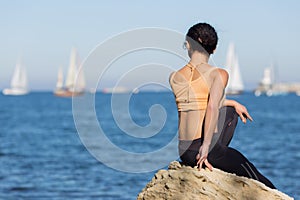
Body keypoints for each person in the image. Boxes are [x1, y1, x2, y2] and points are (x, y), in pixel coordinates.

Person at [169, 22, 275, 189]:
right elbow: (211, 107)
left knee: (230, 109)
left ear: (188, 44)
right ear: (214, 49)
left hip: (184, 150)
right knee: (255, 176)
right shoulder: (218, 74)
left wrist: (232, 102)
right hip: (203, 150)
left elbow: (197, 103)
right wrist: (205, 148)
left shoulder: (174, 77)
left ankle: (212, 151)